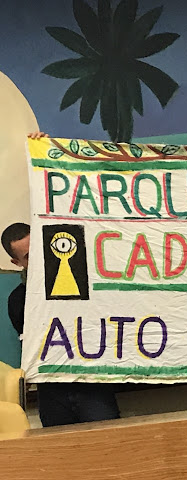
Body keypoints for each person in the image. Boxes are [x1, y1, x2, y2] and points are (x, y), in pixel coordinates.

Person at [3, 139, 121, 426]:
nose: (39, 259)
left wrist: (46, 151)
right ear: (17, 263)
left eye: (40, 249)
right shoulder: (18, 300)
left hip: (92, 384)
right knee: (61, 451)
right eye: (29, 256)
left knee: (110, 446)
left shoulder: (83, 279)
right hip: (52, 390)